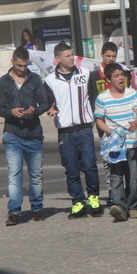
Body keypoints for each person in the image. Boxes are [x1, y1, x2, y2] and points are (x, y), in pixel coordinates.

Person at [44, 42, 104, 219]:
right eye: (68, 56)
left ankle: (93, 198)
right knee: (71, 168)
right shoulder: (49, 80)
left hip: (84, 128)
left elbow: (93, 97)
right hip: (65, 131)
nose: (72, 58)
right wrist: (49, 108)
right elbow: (48, 102)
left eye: (72, 54)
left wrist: (95, 117)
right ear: (58, 59)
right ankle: (78, 201)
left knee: (90, 165)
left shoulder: (85, 73)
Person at [0, 46, 50, 226]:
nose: (22, 69)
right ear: (12, 62)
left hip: (33, 134)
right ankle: (14, 212)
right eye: (19, 65)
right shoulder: (3, 82)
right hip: (13, 134)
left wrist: (35, 110)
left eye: (25, 65)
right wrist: (10, 112)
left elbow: (45, 103)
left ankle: (37, 208)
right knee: (14, 174)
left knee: (36, 175)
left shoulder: (35, 79)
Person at [94, 63, 137, 222]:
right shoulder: (102, 98)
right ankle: (119, 207)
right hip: (114, 144)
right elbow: (99, 120)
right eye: (116, 76)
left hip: (132, 142)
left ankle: (133, 206)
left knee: (132, 177)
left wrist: (136, 122)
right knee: (116, 176)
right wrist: (111, 132)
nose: (121, 78)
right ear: (108, 79)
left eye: (122, 74)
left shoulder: (132, 93)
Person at [87, 41, 132, 206]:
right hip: (104, 125)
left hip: (122, 123)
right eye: (108, 56)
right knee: (109, 160)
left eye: (114, 56)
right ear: (102, 55)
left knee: (124, 159)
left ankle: (125, 193)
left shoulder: (123, 74)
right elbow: (91, 100)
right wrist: (98, 127)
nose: (111, 59)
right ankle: (113, 193)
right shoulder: (94, 76)